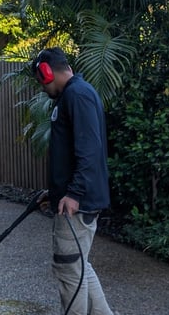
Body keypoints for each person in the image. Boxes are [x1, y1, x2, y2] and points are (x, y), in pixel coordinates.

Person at [31, 47, 115, 315]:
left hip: (77, 206)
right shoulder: (74, 94)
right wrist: (55, 192)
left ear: (46, 72)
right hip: (73, 201)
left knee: (69, 269)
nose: (42, 88)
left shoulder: (77, 95)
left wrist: (74, 193)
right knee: (78, 265)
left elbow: (89, 149)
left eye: (40, 80)